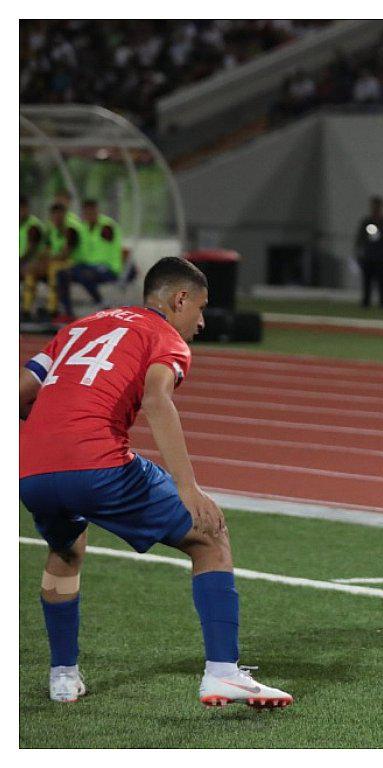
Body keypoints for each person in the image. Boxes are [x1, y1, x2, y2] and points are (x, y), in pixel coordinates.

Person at [19, 256, 293, 707]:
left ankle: (63, 676)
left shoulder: (80, 326)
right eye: (200, 308)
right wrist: (188, 488)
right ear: (178, 298)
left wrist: (51, 431)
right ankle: (223, 672)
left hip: (31, 469)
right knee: (209, 535)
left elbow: (20, 392)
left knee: (66, 549)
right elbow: (156, 398)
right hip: (98, 464)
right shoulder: (165, 336)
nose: (201, 322)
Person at [67, 199, 123, 310]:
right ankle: (66, 310)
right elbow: (79, 251)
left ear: (97, 211)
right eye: (87, 213)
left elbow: (109, 238)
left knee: (84, 273)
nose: (90, 215)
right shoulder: (83, 227)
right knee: (63, 273)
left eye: (92, 212)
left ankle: (101, 302)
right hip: (88, 266)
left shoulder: (107, 226)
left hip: (107, 268)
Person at [354, 195, 383, 309]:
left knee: (382, 281)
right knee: (367, 281)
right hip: (368, 256)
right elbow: (360, 239)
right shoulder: (366, 222)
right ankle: (366, 302)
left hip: (381, 257)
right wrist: (358, 253)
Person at [19, 196, 47, 319]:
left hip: (32, 263)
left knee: (29, 273)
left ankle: (26, 310)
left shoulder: (33, 227)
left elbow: (31, 250)